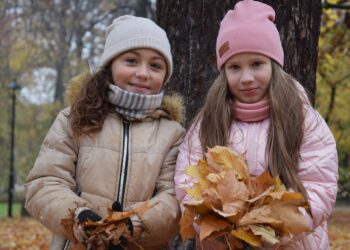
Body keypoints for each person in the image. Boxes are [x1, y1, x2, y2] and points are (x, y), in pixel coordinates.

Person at [174, 0, 338, 249]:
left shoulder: (304, 120)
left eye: (257, 64)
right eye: (235, 67)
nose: (247, 78)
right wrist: (219, 225)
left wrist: (278, 227)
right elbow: (188, 186)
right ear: (224, 72)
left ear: (273, 65)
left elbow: (320, 186)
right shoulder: (206, 124)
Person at [25, 15, 185, 250]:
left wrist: (133, 225)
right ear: (110, 66)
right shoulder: (75, 119)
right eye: (131, 60)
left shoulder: (172, 133)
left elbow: (173, 199)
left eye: (155, 65)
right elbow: (45, 182)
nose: (143, 73)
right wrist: (80, 218)